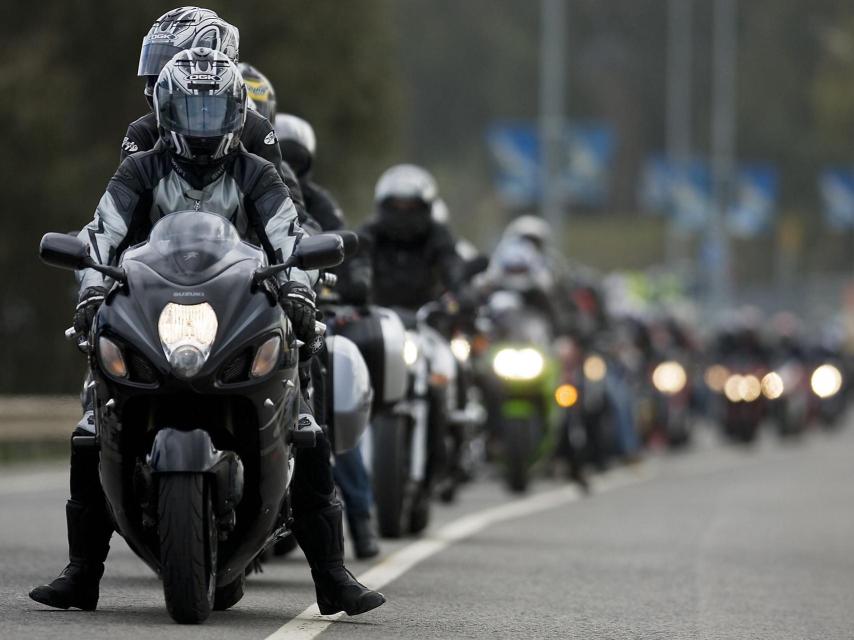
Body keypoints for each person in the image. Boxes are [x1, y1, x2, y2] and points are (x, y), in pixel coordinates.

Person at [29, 48, 384, 617]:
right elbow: (102, 233)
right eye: (189, 110)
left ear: (236, 113)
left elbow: (289, 236)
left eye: (212, 110)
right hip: (153, 310)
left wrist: (298, 287)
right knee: (94, 421)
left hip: (242, 308)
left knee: (304, 424)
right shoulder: (139, 169)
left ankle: (332, 575)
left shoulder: (257, 171)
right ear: (165, 112)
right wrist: (92, 287)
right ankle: (82, 573)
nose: (201, 124)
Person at [276, 113, 378, 559]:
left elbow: (324, 236)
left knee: (328, 383)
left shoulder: (294, 193)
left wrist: (351, 278)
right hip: (218, 310)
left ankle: (359, 516)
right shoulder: (161, 168)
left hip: (292, 305)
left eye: (293, 158)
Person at [121, 7, 308, 219]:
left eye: (168, 64)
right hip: (161, 240)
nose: (156, 80)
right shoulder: (141, 132)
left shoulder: (257, 130)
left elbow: (277, 216)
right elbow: (126, 219)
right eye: (155, 65)